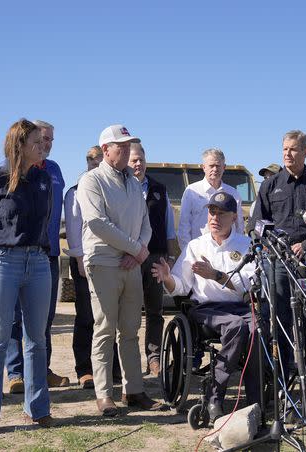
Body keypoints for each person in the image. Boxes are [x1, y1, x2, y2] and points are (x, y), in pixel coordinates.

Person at [0, 119, 54, 438]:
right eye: (36, 141)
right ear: (19, 145)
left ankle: (38, 408)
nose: (42, 145)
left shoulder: (44, 179)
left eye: (43, 141)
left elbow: (44, 221)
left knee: (37, 340)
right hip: (3, 262)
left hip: (39, 263)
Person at [77, 124, 164, 416]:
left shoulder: (133, 182)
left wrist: (137, 251)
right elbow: (97, 223)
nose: (127, 151)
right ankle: (104, 395)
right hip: (103, 263)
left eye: (129, 146)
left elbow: (146, 225)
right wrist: (135, 249)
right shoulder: (91, 181)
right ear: (106, 150)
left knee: (130, 330)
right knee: (103, 329)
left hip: (131, 263)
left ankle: (134, 390)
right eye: (121, 146)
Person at [151, 192, 260, 420]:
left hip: (238, 307)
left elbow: (248, 285)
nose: (215, 218)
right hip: (206, 310)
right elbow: (181, 286)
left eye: (221, 213)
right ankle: (214, 394)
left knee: (257, 330)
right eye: (212, 212)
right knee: (237, 326)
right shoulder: (195, 246)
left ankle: (256, 401)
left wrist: (217, 275)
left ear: (233, 217)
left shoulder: (246, 244)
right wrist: (168, 277)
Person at [250, 129, 306, 387]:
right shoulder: (270, 185)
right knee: (279, 326)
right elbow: (257, 225)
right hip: (278, 265)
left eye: (293, 149)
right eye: (284, 148)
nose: (287, 153)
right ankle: (281, 387)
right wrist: (272, 244)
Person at [5, 120, 69, 393]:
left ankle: (42, 369)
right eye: (43, 138)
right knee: (15, 317)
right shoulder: (14, 170)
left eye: (51, 139)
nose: (47, 143)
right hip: (20, 254)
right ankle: (16, 373)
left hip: (49, 253)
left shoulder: (53, 170)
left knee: (45, 318)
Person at [63, 146, 121, 389]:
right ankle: (84, 369)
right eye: (94, 162)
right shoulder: (76, 192)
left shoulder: (111, 189)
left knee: (111, 317)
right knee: (87, 316)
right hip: (85, 261)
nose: (97, 167)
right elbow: (74, 229)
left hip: (110, 260)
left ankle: (112, 367)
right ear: (88, 163)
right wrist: (79, 260)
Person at [128, 142, 177, 376]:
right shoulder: (121, 186)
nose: (138, 164)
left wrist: (170, 254)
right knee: (128, 312)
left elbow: (168, 226)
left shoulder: (159, 188)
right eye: (133, 160)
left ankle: (154, 358)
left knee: (155, 310)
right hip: (128, 257)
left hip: (155, 257)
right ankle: (126, 363)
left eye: (141, 160)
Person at [178, 148, 243, 252]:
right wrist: (188, 254)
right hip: (200, 251)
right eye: (211, 166)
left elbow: (239, 226)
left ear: (224, 167)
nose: (215, 169)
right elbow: (184, 227)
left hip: (227, 251)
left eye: (218, 166)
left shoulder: (233, 193)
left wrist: (238, 250)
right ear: (204, 167)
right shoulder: (191, 191)